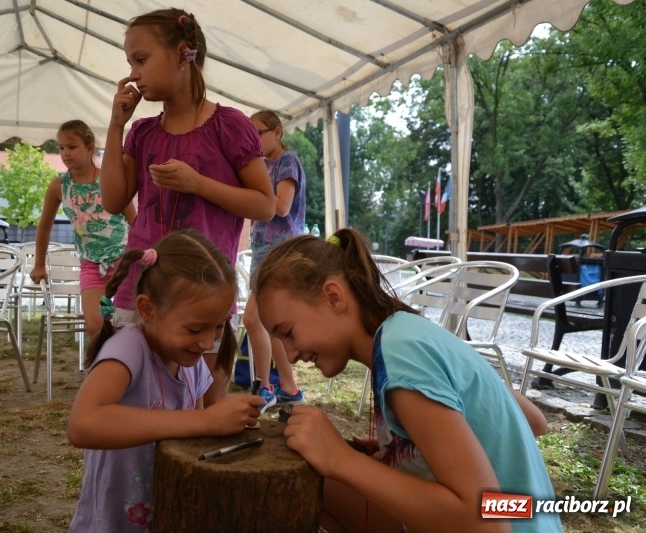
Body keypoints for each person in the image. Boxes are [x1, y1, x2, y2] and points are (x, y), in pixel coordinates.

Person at [253, 229, 561, 533]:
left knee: (318, 480)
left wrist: (341, 459)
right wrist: (419, 446)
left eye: (288, 333)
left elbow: (485, 524)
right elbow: (532, 420)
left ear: (333, 297)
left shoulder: (401, 352)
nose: (290, 356)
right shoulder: (408, 329)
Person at [99, 8, 275, 406]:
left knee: (205, 404)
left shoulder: (228, 125)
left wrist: (198, 184)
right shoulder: (143, 131)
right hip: (145, 286)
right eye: (129, 62)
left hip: (203, 288)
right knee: (142, 399)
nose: (133, 74)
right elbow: (113, 200)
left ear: (183, 55)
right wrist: (116, 126)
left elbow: (265, 204)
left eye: (141, 60)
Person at [67, 229, 266, 532]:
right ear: (147, 309)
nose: (206, 342)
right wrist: (207, 421)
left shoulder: (193, 365)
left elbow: (194, 439)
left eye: (217, 327)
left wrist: (228, 424)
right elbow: (83, 424)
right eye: (195, 328)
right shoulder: (129, 348)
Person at [30, 119, 136, 338]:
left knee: (129, 321)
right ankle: (105, 364)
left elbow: (135, 221)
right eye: (61, 148)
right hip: (91, 264)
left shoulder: (109, 179)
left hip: (124, 261)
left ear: (89, 147)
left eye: (72, 147)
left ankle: (130, 364)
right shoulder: (58, 187)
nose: (65, 153)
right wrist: (39, 264)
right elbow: (44, 228)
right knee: (96, 323)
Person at [242, 110, 306, 407]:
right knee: (267, 322)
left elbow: (281, 207)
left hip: (279, 252)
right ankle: (287, 389)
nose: (253, 140)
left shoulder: (286, 161)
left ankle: (266, 386)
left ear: (278, 133)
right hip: (263, 251)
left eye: (258, 133)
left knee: (255, 319)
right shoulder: (266, 165)